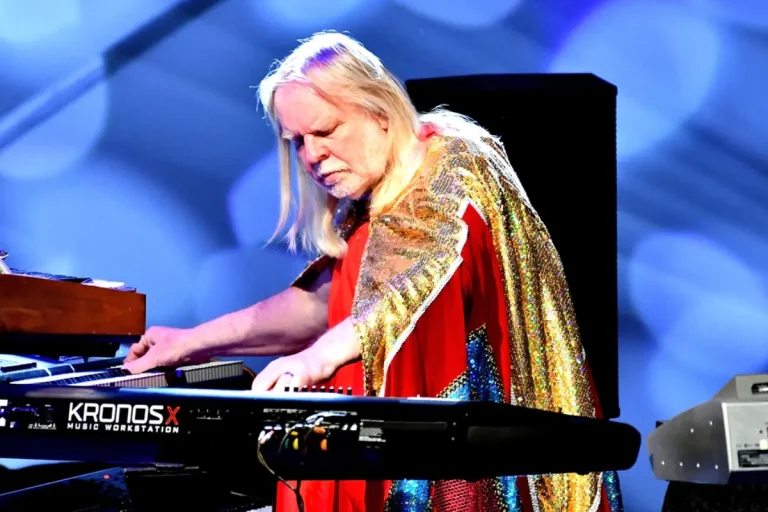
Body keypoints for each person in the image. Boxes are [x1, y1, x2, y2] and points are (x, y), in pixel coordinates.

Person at [123, 31, 623, 512]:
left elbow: (406, 289)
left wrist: (312, 363)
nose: (311, 155)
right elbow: (325, 306)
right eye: (296, 140)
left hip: (457, 474)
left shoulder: (454, 163)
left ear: (379, 111)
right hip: (369, 452)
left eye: (324, 130)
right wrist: (190, 342)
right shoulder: (369, 196)